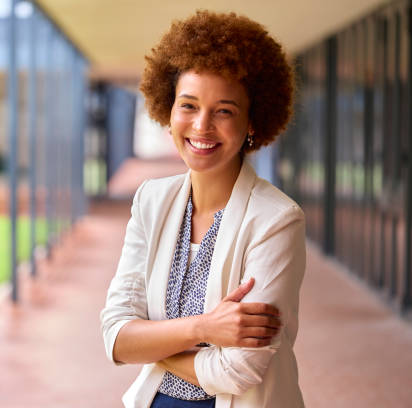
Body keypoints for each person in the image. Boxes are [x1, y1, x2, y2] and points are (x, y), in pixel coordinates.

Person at [100, 10, 306, 408]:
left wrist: (150, 341)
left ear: (252, 121)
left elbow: (238, 370)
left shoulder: (277, 221)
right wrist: (204, 327)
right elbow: (115, 335)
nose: (201, 126)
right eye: (189, 105)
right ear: (169, 110)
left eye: (224, 110)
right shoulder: (151, 201)